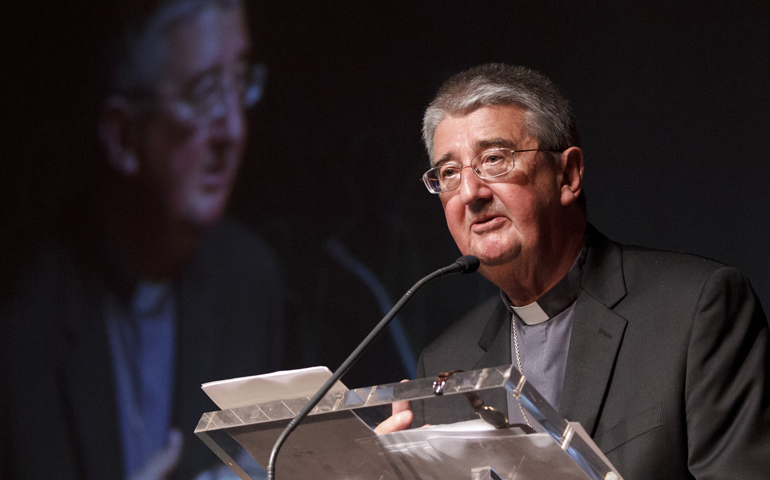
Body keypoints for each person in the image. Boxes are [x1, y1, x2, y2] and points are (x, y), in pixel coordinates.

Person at [375, 64, 770, 479]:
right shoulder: (445, 362)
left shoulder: (695, 312)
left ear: (568, 174)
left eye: (494, 159)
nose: (471, 193)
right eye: (450, 173)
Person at [1, 1, 283, 479]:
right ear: (122, 135)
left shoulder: (247, 282)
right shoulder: (24, 315)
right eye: (203, 94)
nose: (233, 130)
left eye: (239, 83)